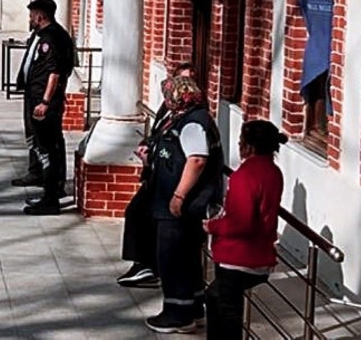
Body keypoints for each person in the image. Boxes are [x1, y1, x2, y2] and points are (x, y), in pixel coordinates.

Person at [144, 75, 225, 334]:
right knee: (187, 258)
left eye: (168, 95)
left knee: (172, 257)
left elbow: (197, 160)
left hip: (184, 205)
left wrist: (179, 196)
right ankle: (192, 307)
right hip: (176, 200)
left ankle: (177, 314)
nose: (165, 101)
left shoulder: (193, 123)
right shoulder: (185, 118)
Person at [204, 120, 287, 340]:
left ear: (249, 146)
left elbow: (241, 222)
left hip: (239, 255)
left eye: (241, 141)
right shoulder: (273, 172)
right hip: (258, 251)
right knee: (216, 299)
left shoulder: (245, 176)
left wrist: (212, 226)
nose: (239, 145)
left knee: (226, 311)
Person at [118, 62, 198, 288]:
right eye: (182, 81)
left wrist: (180, 194)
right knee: (137, 212)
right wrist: (147, 148)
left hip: (172, 180)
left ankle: (150, 267)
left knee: (147, 217)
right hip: (158, 174)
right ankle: (143, 264)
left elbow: (196, 159)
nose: (185, 87)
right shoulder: (168, 109)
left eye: (190, 82)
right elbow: (158, 135)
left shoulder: (193, 118)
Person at [18, 0, 76, 215]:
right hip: (35, 96)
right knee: (43, 146)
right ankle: (48, 190)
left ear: (40, 15)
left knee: (48, 149)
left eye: (32, 15)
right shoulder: (42, 34)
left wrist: (45, 101)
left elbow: (55, 72)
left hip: (45, 103)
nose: (30, 19)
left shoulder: (53, 38)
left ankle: (51, 198)